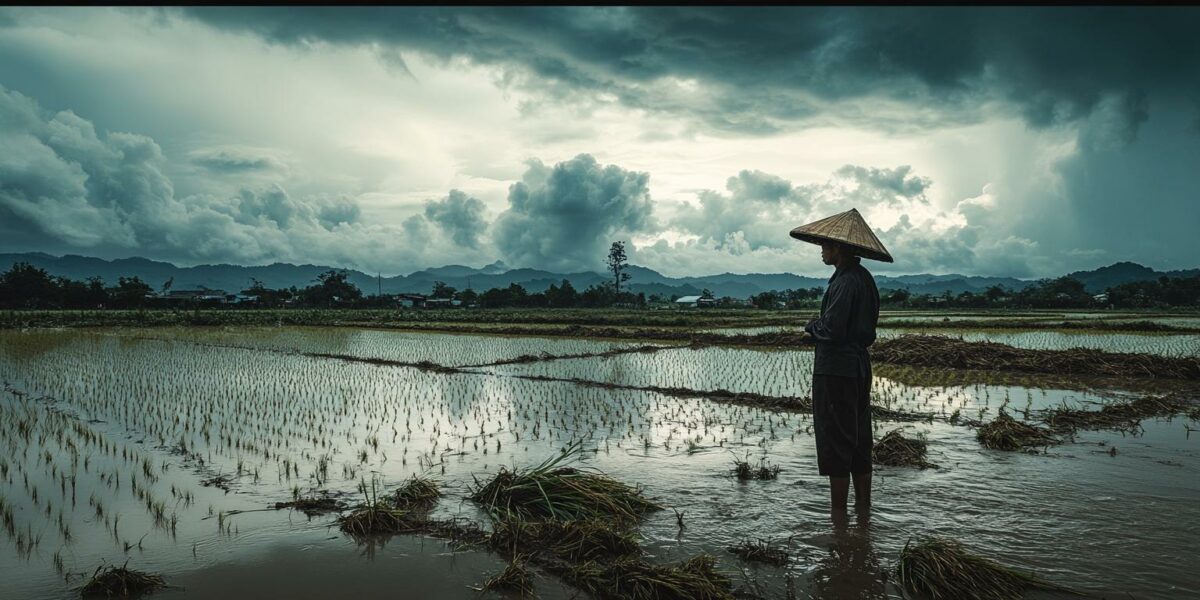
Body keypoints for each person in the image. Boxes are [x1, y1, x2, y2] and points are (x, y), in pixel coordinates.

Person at [789, 208, 891, 516]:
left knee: (836, 440)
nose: (821, 250)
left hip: (836, 369)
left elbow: (831, 329)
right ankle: (863, 511)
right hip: (858, 366)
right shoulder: (863, 278)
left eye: (825, 246)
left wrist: (810, 327)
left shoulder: (845, 282)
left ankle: (838, 519)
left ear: (839, 248)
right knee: (858, 438)